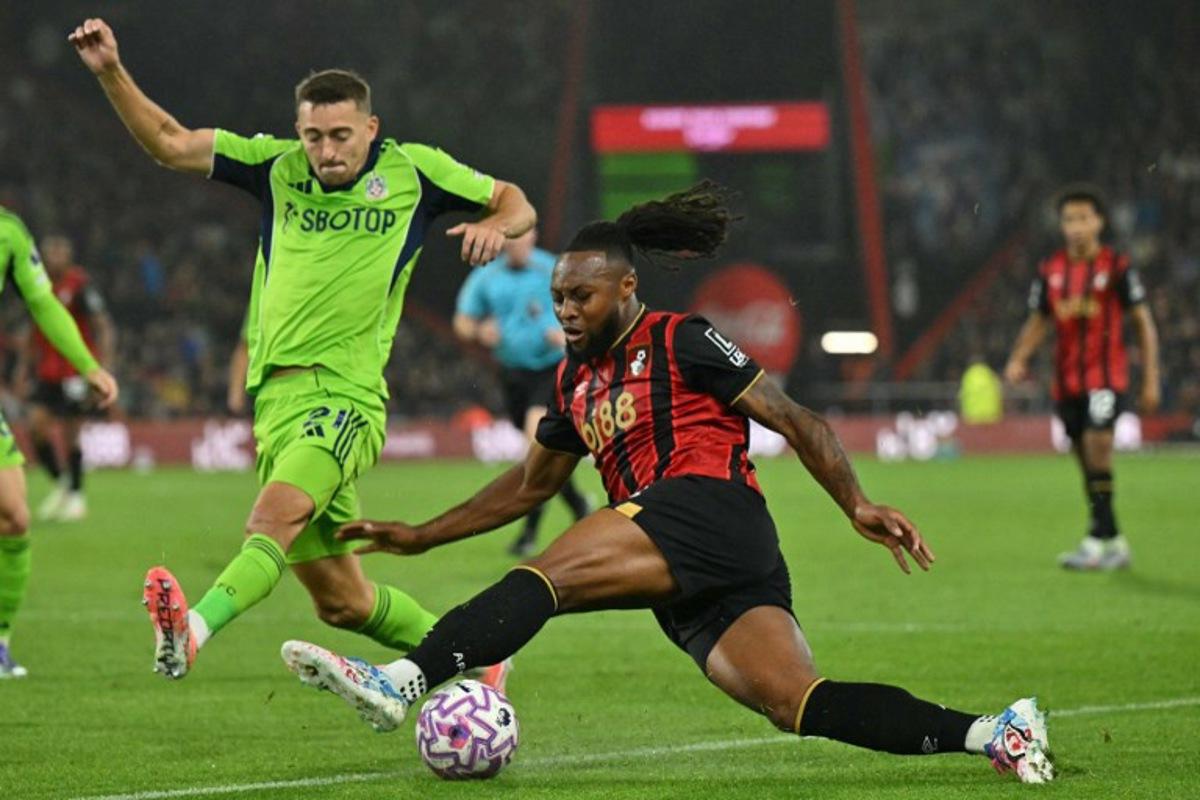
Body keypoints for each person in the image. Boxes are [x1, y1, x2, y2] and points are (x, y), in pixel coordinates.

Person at [282, 183, 1055, 784]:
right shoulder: (572, 382)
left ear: (623, 289)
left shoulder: (681, 339)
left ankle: (402, 679)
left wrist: (857, 502)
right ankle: (997, 731)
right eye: (557, 300)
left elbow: (796, 419)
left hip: (708, 510)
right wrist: (421, 534)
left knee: (547, 575)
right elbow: (525, 487)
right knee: (798, 703)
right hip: (691, 566)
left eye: (579, 297)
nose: (566, 312)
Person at [70, 18, 536, 682]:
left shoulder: (415, 173)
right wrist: (110, 71)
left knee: (272, 516)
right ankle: (481, 659)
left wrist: (497, 223)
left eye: (341, 135)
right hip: (277, 402)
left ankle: (191, 630)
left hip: (344, 398)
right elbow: (170, 144)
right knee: (343, 603)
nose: (326, 150)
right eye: (313, 136)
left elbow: (516, 202)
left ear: (371, 129)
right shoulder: (275, 167)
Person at [1004, 185, 1160, 571]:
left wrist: (1151, 378)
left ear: (1099, 222)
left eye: (1083, 218)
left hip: (1106, 376)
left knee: (1098, 445)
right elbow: (1039, 320)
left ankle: (1095, 539)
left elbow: (1143, 321)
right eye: (1069, 219)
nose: (1075, 226)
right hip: (1066, 380)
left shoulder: (1117, 267)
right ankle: (1113, 540)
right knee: (1086, 461)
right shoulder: (1051, 270)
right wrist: (1018, 358)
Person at [0, 208, 119, 677]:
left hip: (62, 376)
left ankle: (0, 641)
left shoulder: (8, 232)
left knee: (13, 516)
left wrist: (89, 364)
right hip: (46, 378)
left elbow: (44, 304)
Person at [454, 228, 591, 555]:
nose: (519, 246)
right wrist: (478, 330)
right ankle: (578, 504)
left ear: (533, 239)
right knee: (539, 452)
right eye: (513, 240)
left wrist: (569, 333)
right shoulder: (486, 277)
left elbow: (589, 310)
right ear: (503, 242)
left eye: (525, 239)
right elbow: (462, 321)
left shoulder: (553, 269)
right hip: (512, 375)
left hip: (550, 369)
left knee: (534, 449)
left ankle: (528, 535)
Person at [15, 234, 116, 522]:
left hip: (75, 371)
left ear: (69, 255)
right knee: (36, 427)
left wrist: (102, 367)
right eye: (51, 251)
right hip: (47, 371)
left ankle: (76, 495)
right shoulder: (36, 283)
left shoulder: (80, 286)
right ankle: (62, 482)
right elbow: (33, 330)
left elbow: (103, 325)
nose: (55, 256)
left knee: (72, 434)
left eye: (61, 251)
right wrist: (23, 368)